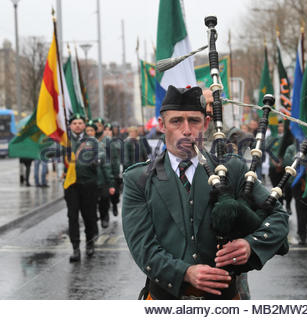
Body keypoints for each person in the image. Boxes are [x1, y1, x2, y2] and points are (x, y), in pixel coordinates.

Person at [122, 86, 288, 300]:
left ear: (206, 124)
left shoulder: (232, 169)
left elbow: (279, 217)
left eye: (194, 121)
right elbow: (142, 247)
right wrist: (185, 273)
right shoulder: (139, 179)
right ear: (162, 125)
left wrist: (250, 245)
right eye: (176, 121)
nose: (187, 130)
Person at [64, 114, 115, 262]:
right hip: (71, 185)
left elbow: (102, 158)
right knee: (72, 217)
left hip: (89, 184)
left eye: (80, 123)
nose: (78, 125)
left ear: (84, 125)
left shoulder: (92, 141)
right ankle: (75, 248)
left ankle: (89, 243)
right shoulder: (65, 141)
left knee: (89, 216)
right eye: (75, 123)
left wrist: (110, 181)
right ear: (70, 126)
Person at [104, 123, 122, 217]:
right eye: (105, 129)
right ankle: (105, 213)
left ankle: (114, 205)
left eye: (109, 130)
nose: (107, 132)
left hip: (115, 171)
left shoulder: (116, 142)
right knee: (104, 195)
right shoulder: (100, 143)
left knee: (115, 194)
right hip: (105, 172)